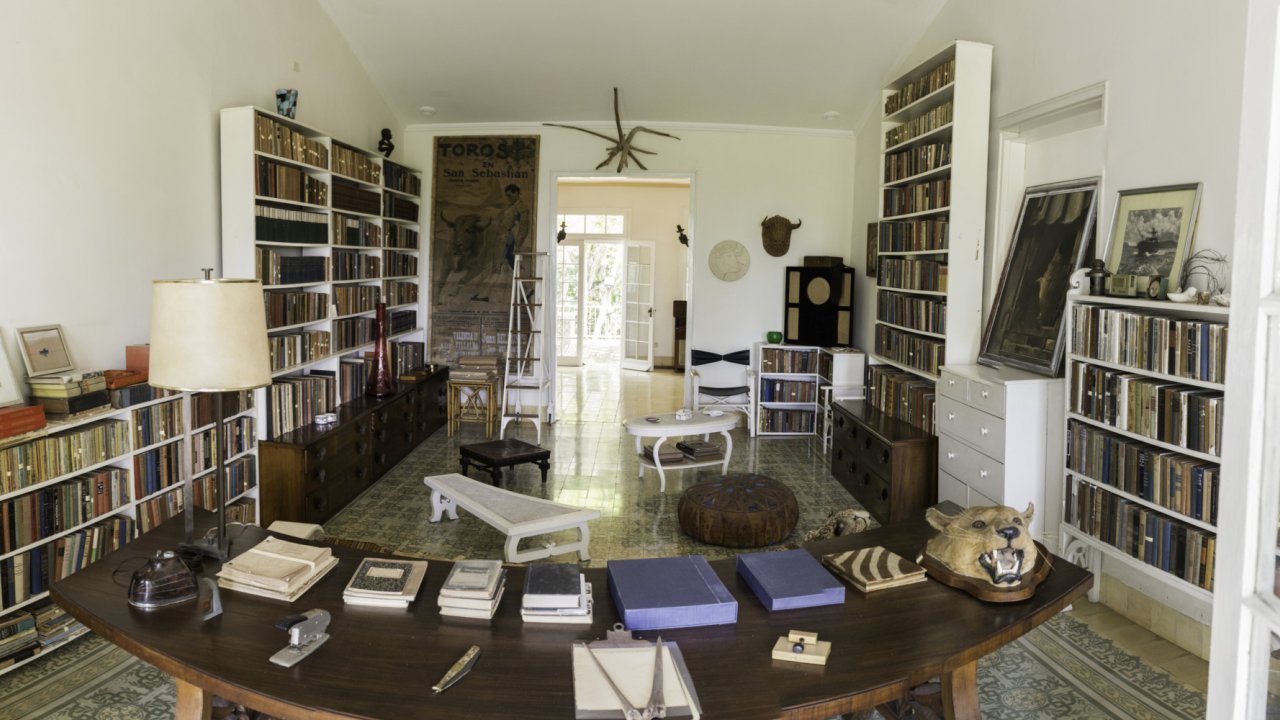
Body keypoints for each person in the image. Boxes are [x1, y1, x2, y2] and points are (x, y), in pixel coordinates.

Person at [496, 184, 530, 271]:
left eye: (510, 195)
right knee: (504, 255)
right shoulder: (509, 206)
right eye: (507, 196)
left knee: (508, 254)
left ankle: (517, 271)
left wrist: (517, 243)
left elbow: (523, 227)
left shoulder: (522, 208)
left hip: (512, 236)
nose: (508, 198)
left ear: (517, 193)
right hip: (502, 235)